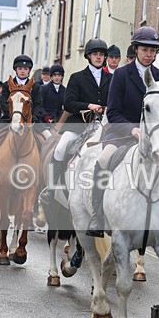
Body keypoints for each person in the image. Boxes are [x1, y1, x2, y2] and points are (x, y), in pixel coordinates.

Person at [85, 26, 159, 240]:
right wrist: (132, 129)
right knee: (103, 160)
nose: (149, 54)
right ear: (136, 49)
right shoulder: (121, 75)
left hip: (156, 139)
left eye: (153, 51)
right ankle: (97, 215)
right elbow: (113, 111)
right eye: (145, 50)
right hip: (122, 135)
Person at [42, 40, 110, 203]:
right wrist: (89, 106)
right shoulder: (77, 77)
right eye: (95, 54)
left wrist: (107, 108)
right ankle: (51, 189)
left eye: (101, 54)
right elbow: (69, 103)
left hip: (103, 125)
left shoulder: (112, 78)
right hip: (78, 124)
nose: (98, 57)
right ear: (88, 56)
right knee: (60, 148)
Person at [0, 55, 45, 179]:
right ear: (15, 69)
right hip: (10, 119)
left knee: (47, 139)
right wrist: (14, 115)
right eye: (20, 68)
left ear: (29, 70)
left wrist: (36, 116)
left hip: (31, 121)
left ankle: (43, 171)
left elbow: (38, 104)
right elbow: (4, 102)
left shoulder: (35, 87)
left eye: (26, 69)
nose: (22, 71)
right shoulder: (6, 85)